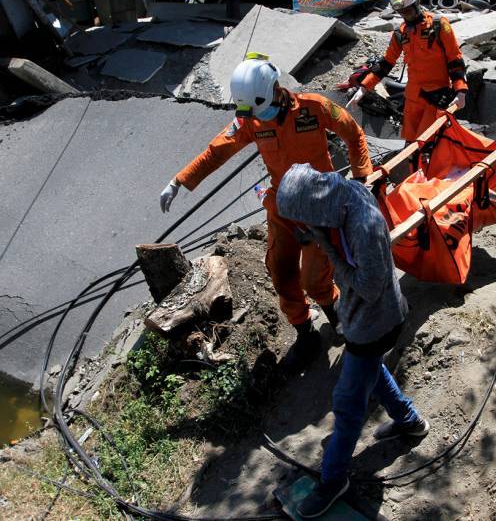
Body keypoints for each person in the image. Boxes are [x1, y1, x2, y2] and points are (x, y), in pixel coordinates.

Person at [159, 55, 373, 370]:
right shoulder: (251, 119)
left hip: (320, 205)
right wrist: (180, 180)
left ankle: (336, 314)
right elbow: (217, 150)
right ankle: (305, 334)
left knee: (314, 280)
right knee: (282, 272)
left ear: (275, 88)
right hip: (283, 207)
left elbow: (353, 133)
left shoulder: (314, 108)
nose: (262, 117)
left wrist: (361, 177)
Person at [276, 163, 428, 519]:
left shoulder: (363, 224)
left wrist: (327, 250)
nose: (303, 229)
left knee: (346, 404)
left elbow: (370, 287)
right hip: (362, 320)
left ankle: (333, 481)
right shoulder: (338, 202)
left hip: (378, 320)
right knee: (369, 370)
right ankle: (409, 421)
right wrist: (320, 234)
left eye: (303, 220)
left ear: (314, 206)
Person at [349, 0, 468, 144]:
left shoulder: (438, 25)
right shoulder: (400, 34)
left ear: (417, 0)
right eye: (402, 12)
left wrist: (461, 91)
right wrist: (364, 88)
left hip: (435, 98)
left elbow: (455, 59)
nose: (407, 16)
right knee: (410, 146)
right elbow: (385, 64)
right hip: (412, 100)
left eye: (408, 11)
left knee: (427, 146)